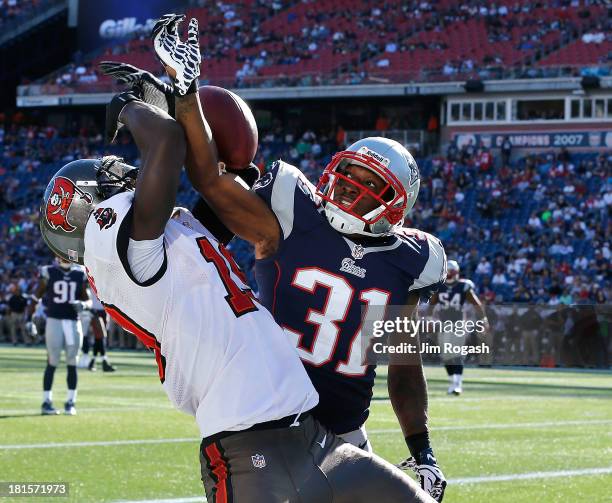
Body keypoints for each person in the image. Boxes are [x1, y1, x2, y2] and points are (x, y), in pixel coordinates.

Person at [40, 23, 434, 501]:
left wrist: (423, 449)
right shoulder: (274, 220)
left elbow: (406, 364)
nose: (345, 186)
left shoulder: (413, 260)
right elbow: (189, 163)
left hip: (327, 431)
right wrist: (167, 103)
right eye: (344, 174)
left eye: (364, 183)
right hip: (255, 425)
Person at [34, 258, 91, 415]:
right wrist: (32, 317)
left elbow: (88, 299)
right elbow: (36, 296)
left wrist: (84, 305)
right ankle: (46, 401)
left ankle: (71, 401)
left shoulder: (80, 274)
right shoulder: (49, 272)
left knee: (72, 362)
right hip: (54, 321)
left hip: (73, 322)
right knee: (52, 361)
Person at [428, 260, 490, 395]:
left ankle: (457, 383)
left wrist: (483, 319)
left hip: (458, 325)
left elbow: (476, 304)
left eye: (453, 273)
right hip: (444, 325)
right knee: (445, 356)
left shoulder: (463, 286)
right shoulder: (440, 287)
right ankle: (453, 382)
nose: (452, 275)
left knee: (456, 353)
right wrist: (429, 319)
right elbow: (431, 304)